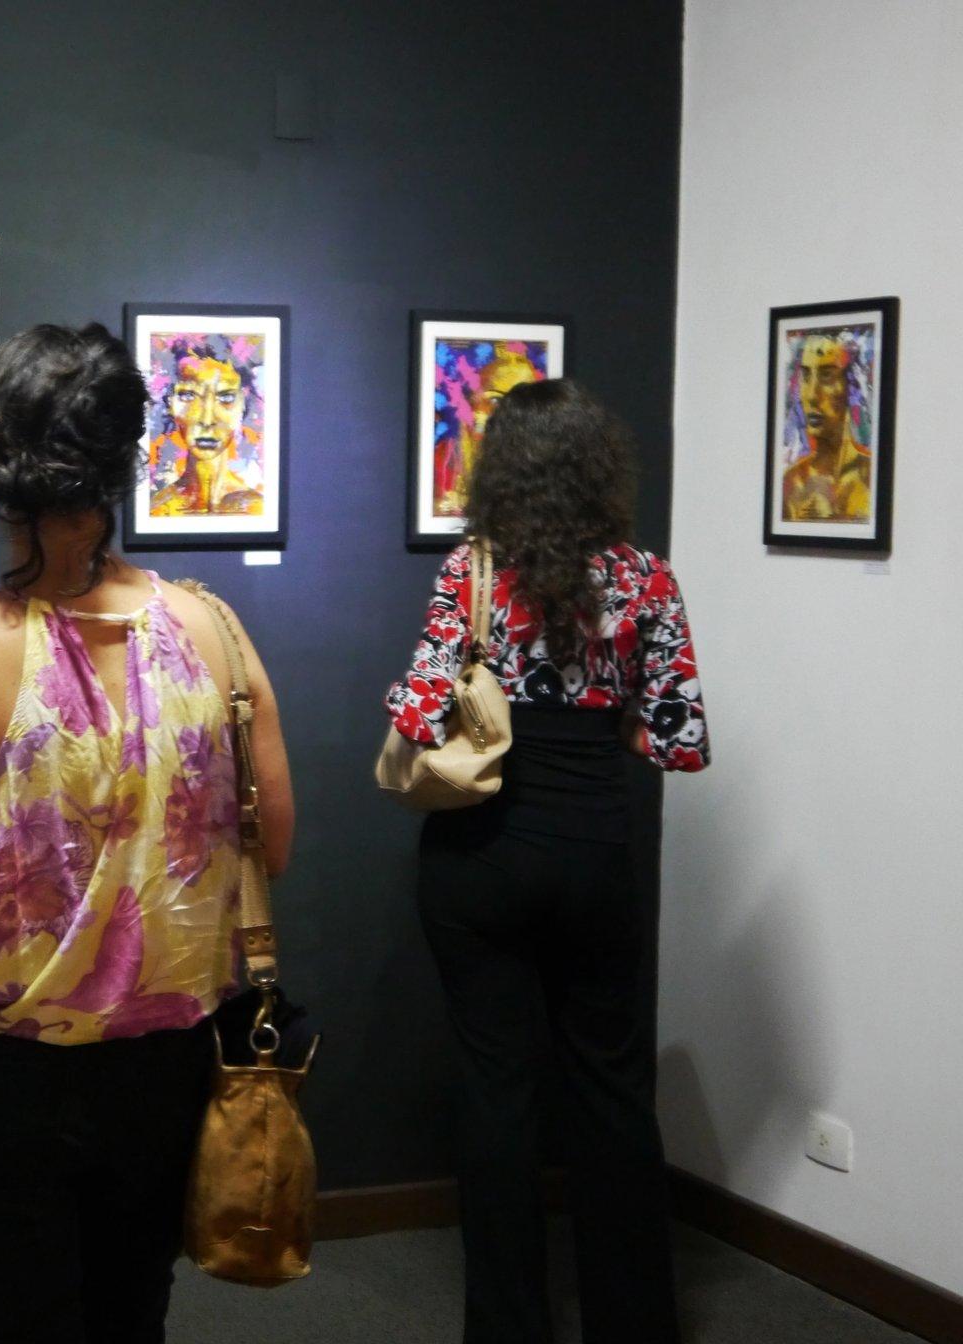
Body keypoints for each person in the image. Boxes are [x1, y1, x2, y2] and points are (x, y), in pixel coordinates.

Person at [0, 323, 295, 1343]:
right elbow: (267, 847)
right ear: (123, 458)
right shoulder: (211, 629)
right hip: (164, 1063)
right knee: (128, 1315)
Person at [386, 379, 708, 1344]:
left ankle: (509, 1326)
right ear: (599, 469)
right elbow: (676, 743)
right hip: (596, 853)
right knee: (610, 1089)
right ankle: (634, 1323)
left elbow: (415, 715)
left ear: (505, 472)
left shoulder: (472, 573)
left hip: (480, 858)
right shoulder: (647, 580)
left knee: (497, 1091)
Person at [147, 343, 262, 516]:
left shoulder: (259, 509)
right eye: (188, 395)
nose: (207, 420)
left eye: (226, 397)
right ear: (170, 402)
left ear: (244, 404)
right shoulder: (157, 511)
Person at [437, 342, 540, 516]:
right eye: (495, 401)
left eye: (522, 404)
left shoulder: (544, 464)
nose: (509, 414)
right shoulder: (445, 457)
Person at [780, 330, 872, 521]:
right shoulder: (792, 484)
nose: (812, 395)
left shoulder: (872, 478)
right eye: (805, 376)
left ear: (851, 386)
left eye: (827, 375)